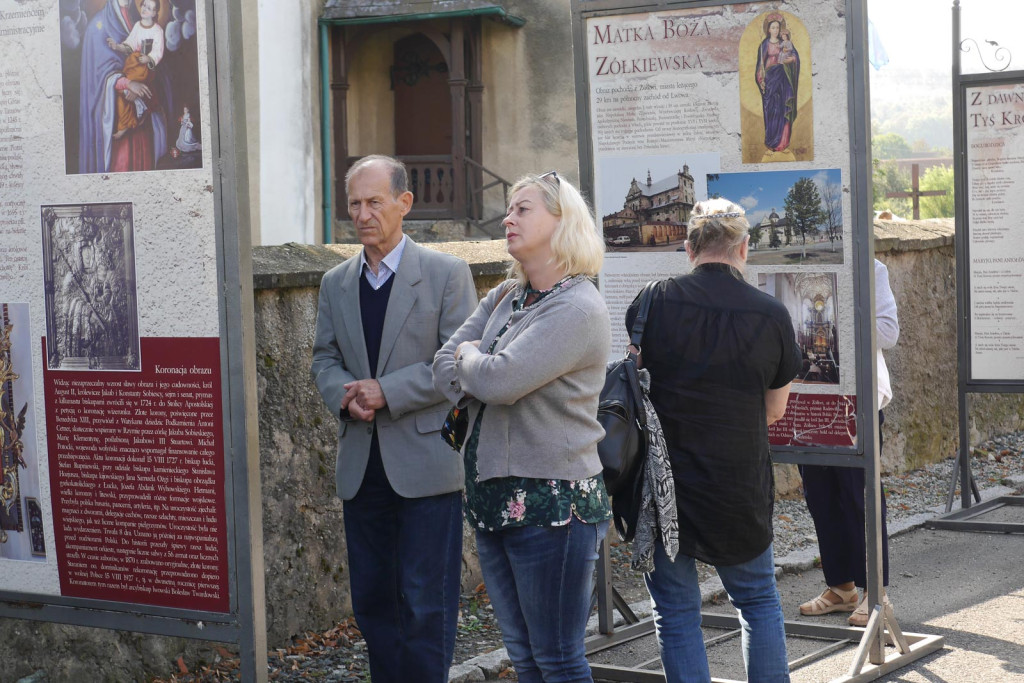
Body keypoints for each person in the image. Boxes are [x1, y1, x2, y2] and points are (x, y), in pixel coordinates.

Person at [432, 171, 611, 682]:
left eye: (524, 209)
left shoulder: (577, 307)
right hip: (492, 500)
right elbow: (445, 364)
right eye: (509, 209)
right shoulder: (506, 296)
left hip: (552, 505)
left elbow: (501, 380)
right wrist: (476, 365)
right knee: (526, 657)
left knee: (557, 658)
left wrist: (476, 361)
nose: (508, 218)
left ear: (562, 221)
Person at [310, 155, 477, 682]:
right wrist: (345, 395)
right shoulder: (335, 282)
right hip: (362, 466)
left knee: (428, 605)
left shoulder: (446, 274)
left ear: (404, 204)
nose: (362, 214)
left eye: (373, 202)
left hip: (427, 465)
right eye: (354, 203)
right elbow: (323, 360)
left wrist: (387, 391)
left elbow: (457, 363)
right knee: (374, 602)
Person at [626, 198, 801, 683]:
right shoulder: (771, 315)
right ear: (744, 248)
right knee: (758, 602)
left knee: (676, 613)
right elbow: (774, 411)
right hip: (737, 482)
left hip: (664, 488)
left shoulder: (653, 301)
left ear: (688, 249)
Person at [798, 259, 899, 627]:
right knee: (819, 494)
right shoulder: (799, 273)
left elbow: (888, 332)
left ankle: (876, 591)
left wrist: (830, 324)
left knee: (860, 495)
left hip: (855, 399)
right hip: (808, 397)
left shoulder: (872, 269)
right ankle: (841, 588)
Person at [77, 0, 169, 173]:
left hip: (142, 123)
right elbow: (100, 75)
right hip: (116, 123)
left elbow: (152, 59)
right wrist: (128, 84)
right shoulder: (98, 26)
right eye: (145, 6)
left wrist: (141, 81)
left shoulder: (135, 20)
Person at [105, 0, 165, 141]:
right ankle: (125, 123)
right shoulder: (137, 26)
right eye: (144, 5)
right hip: (133, 64)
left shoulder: (157, 30)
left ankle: (139, 104)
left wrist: (149, 58)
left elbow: (158, 51)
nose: (144, 9)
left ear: (155, 13)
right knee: (122, 96)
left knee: (129, 86)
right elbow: (130, 44)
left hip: (145, 68)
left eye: (149, 8)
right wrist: (117, 47)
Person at [754, 13, 800, 152]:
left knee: (783, 109)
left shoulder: (784, 43)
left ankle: (783, 142)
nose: (775, 30)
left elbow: (794, 57)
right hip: (770, 81)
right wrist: (761, 80)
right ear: (768, 29)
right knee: (772, 111)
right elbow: (760, 65)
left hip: (783, 80)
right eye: (773, 27)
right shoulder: (765, 44)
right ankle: (772, 141)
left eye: (777, 28)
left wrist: (791, 60)